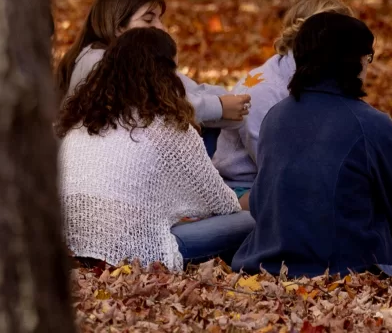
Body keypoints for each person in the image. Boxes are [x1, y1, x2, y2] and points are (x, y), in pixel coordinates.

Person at [232, 12, 392, 275]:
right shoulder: (371, 124)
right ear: (355, 62)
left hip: (267, 260)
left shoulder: (275, 116)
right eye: (367, 58)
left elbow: (261, 200)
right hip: (348, 265)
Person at [56, 27, 253, 269]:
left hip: (69, 243)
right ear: (167, 74)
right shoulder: (169, 127)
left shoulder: (82, 121)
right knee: (250, 221)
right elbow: (223, 205)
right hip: (135, 252)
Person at [57, 0, 251, 133]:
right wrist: (218, 107)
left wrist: (231, 100)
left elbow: (185, 88)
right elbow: (153, 104)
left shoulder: (139, 62)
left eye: (160, 19)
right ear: (118, 27)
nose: (161, 28)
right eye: (148, 19)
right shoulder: (96, 60)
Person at [211, 0, 353, 190]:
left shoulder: (328, 77)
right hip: (244, 188)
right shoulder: (262, 92)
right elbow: (277, 169)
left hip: (300, 177)